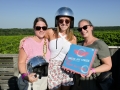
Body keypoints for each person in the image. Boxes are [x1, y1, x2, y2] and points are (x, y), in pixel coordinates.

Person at [71, 19, 112, 90]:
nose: (83, 30)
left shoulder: (99, 44)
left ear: (91, 27)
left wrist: (92, 70)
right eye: (80, 29)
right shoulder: (79, 45)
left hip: (93, 82)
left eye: (85, 27)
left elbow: (108, 65)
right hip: (79, 83)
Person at [46, 7, 77, 90]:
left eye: (67, 21)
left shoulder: (73, 38)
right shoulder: (50, 32)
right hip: (53, 67)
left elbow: (74, 55)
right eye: (61, 21)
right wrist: (27, 39)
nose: (64, 23)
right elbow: (39, 37)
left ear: (71, 22)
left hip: (67, 67)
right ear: (57, 21)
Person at [17, 17, 50, 90]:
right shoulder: (27, 42)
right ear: (34, 28)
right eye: (38, 28)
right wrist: (25, 77)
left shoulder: (48, 41)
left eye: (44, 28)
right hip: (29, 80)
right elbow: (21, 63)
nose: (41, 30)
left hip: (43, 81)